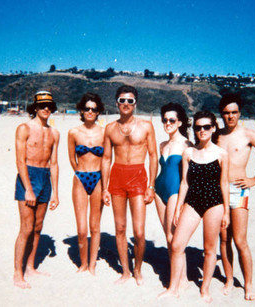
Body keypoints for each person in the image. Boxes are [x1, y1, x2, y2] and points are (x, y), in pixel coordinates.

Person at [158, 111, 230, 303]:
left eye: (206, 127)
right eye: (198, 127)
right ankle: (173, 288)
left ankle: (205, 289)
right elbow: (184, 184)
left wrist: (227, 213)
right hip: (193, 202)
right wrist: (179, 207)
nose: (202, 131)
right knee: (177, 244)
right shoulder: (189, 152)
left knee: (209, 249)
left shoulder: (221, 154)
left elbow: (224, 184)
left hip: (214, 204)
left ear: (213, 128)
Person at [217, 93, 255, 300]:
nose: (230, 116)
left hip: (240, 190)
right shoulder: (217, 135)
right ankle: (229, 279)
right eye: (226, 113)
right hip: (219, 191)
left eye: (234, 112)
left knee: (240, 240)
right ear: (221, 114)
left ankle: (248, 284)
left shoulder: (248, 135)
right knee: (224, 239)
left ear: (239, 113)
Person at [101, 85, 158, 285]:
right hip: (117, 176)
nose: (126, 104)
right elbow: (106, 158)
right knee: (120, 228)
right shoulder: (109, 128)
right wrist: (104, 188)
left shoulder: (146, 126)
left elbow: (153, 156)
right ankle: (125, 271)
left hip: (138, 177)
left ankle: (138, 269)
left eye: (130, 101)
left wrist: (151, 186)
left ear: (136, 104)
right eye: (122, 100)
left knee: (139, 231)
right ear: (117, 103)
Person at [13, 91, 60, 289]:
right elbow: (20, 161)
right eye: (42, 106)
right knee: (26, 227)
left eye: (49, 105)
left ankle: (31, 267)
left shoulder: (54, 133)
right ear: (35, 108)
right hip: (28, 176)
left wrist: (56, 192)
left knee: (38, 226)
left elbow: (55, 163)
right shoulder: (24, 128)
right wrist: (29, 189)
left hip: (45, 177)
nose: (46, 109)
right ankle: (18, 273)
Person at [154, 103, 192, 288]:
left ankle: (182, 279)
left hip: (175, 192)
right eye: (165, 120)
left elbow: (189, 177)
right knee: (167, 237)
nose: (167, 123)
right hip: (159, 190)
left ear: (179, 122)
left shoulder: (187, 145)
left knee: (174, 238)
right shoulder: (162, 145)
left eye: (171, 120)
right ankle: (177, 275)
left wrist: (183, 202)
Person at [67, 92, 105, 275]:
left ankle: (92, 265)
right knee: (82, 229)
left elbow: (107, 160)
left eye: (94, 109)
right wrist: (80, 171)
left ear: (98, 112)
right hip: (80, 179)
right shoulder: (73, 132)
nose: (90, 112)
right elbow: (71, 159)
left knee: (95, 226)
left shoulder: (105, 132)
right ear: (81, 110)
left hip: (98, 179)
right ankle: (82, 264)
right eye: (87, 108)